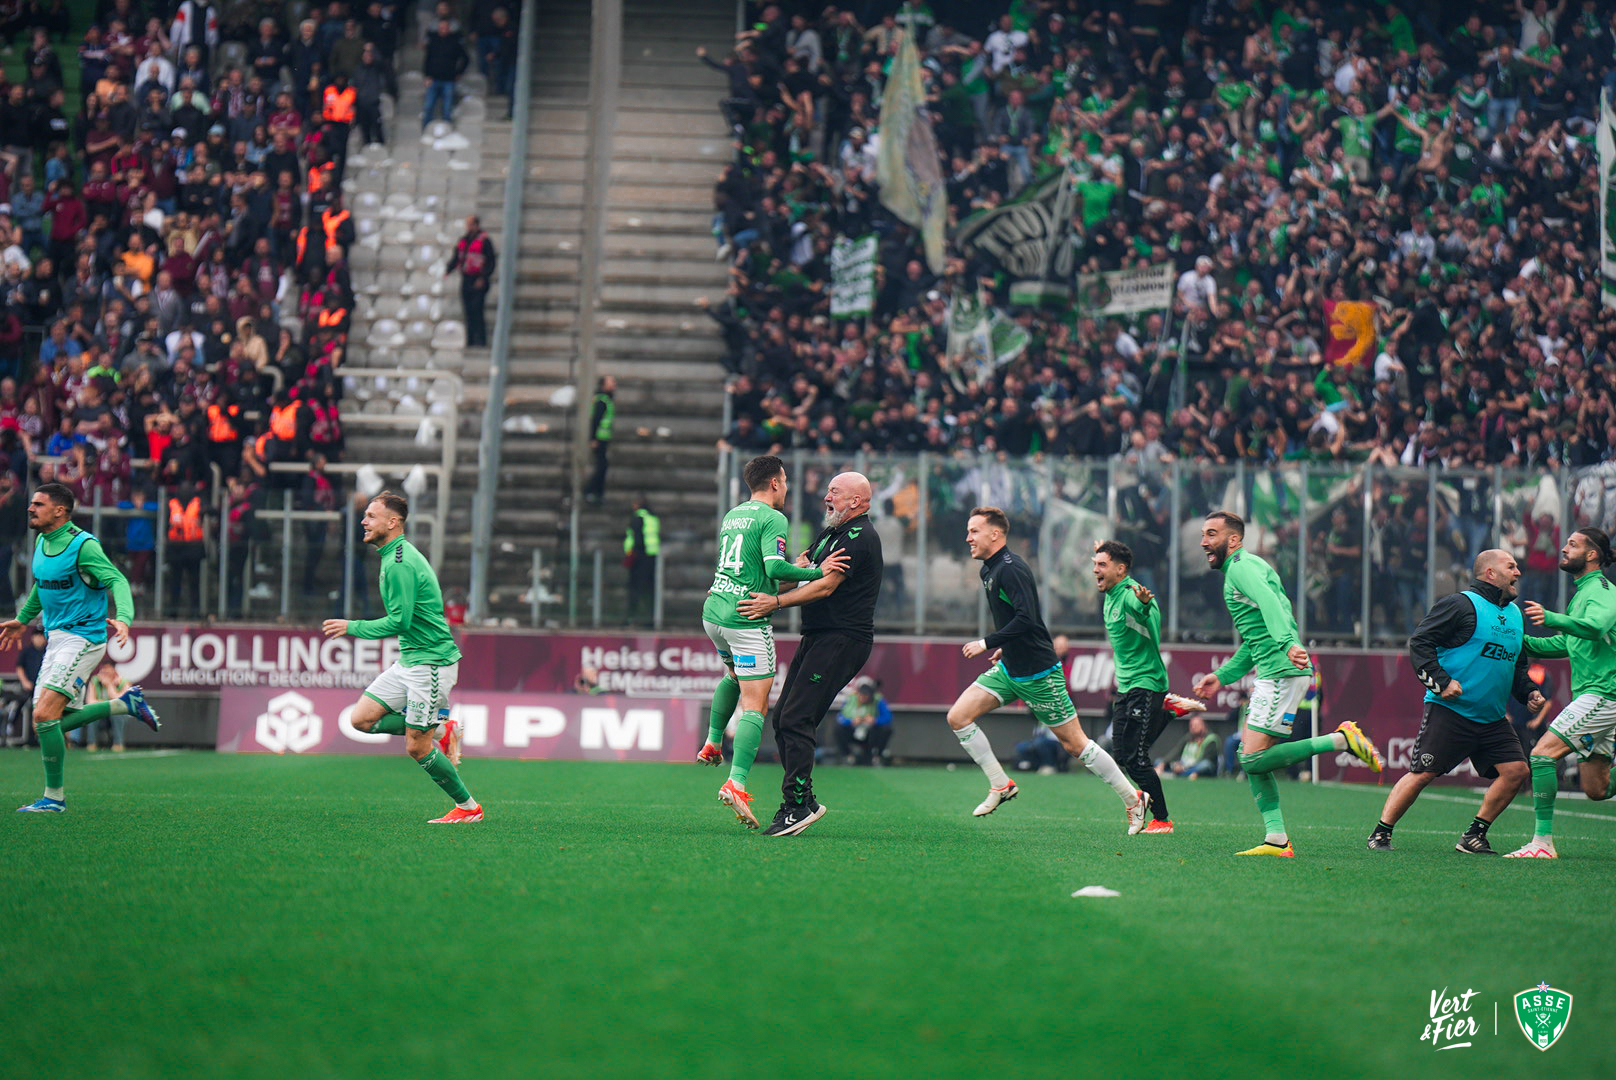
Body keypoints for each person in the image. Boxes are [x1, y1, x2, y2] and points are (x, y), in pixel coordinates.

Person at [1192, 511, 1384, 856]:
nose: (1205, 541)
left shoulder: (1241, 568)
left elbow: (1270, 606)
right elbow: (1254, 639)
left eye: (1212, 534)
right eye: (1204, 534)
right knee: (1251, 757)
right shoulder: (1248, 567)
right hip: (1275, 668)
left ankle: (1340, 740)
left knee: (1250, 760)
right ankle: (1277, 839)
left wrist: (1287, 643)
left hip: (1280, 670)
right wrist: (1221, 677)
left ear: (1233, 540)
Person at [944, 506, 1148, 828]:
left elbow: (1027, 618)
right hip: (1011, 668)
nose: (968, 537)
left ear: (995, 534)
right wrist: (1006, 647)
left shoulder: (1011, 569)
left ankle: (1133, 798)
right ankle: (1001, 784)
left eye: (974, 531)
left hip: (1039, 673)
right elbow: (1016, 622)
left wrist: (989, 642)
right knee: (958, 717)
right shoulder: (989, 570)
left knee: (1075, 744)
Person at [695, 455, 848, 828]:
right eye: (787, 480)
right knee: (756, 706)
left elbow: (755, 570)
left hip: (714, 612)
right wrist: (816, 571)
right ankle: (737, 782)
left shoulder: (734, 514)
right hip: (746, 617)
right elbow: (774, 569)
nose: (788, 488)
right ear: (776, 482)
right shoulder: (774, 517)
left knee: (733, 676)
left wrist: (793, 573)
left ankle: (713, 741)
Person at [320, 491, 482, 823]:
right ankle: (442, 729)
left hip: (431, 663)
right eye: (365, 515)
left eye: (371, 516)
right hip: (410, 661)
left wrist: (353, 626)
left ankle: (468, 808)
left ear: (393, 522)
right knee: (360, 719)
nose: (363, 521)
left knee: (415, 747)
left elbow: (399, 621)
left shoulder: (400, 564)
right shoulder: (394, 556)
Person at [1367, 548, 1541, 854]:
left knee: (1517, 771)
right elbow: (1420, 643)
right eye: (1511, 566)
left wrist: (1529, 692)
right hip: (1450, 711)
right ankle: (1381, 833)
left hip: (1492, 718)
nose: (1518, 572)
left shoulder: (1515, 616)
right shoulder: (1460, 604)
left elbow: (1517, 665)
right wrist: (1442, 682)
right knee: (1423, 774)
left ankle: (1474, 835)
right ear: (1491, 573)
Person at [737, 470, 883, 835]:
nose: (826, 497)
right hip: (819, 636)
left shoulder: (860, 537)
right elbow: (803, 576)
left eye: (834, 491)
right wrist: (739, 591)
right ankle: (803, 803)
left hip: (842, 638)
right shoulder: (830, 535)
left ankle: (797, 805)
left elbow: (824, 588)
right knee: (784, 716)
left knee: (796, 717)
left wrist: (775, 602)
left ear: (855, 501)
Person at [1, 483, 160, 813]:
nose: (30, 509)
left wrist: (125, 617)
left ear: (60, 510)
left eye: (38, 504)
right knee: (48, 721)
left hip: (84, 638)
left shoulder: (83, 545)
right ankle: (124, 705)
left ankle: (54, 799)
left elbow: (117, 579)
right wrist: (23, 619)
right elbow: (41, 588)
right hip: (58, 638)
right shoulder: (43, 541)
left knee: (44, 715)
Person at [1505, 528, 1616, 858]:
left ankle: (1542, 844)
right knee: (1597, 789)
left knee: (1540, 755)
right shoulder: (1583, 592)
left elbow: (1595, 626)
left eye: (1572, 544)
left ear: (1592, 554)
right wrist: (1513, 639)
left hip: (1604, 694)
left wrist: (1552, 617)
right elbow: (1564, 643)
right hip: (1598, 696)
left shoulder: (1602, 591)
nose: (1564, 549)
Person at [1093, 539, 1206, 834]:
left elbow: (1143, 609)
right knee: (1121, 756)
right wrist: (1103, 549)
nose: (1096, 570)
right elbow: (1115, 566)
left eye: (1102, 565)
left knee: (1138, 758)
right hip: (1127, 685)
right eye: (1095, 564)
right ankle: (1168, 711)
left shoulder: (1132, 594)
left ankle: (1163, 820)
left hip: (1147, 683)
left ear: (1121, 570)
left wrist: (1144, 605)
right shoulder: (1111, 590)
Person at [444, 215, 494, 348]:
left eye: (471, 225)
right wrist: (448, 269)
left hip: (479, 280)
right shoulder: (463, 241)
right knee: (468, 311)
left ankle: (480, 340)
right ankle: (470, 340)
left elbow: (490, 262)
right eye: (468, 225)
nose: (469, 227)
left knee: (477, 310)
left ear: (477, 225)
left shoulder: (485, 241)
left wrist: (483, 277)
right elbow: (457, 257)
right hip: (466, 279)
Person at [421, 18, 469, 128]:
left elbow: (466, 59)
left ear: (449, 28)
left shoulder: (455, 42)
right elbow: (427, 60)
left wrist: (459, 73)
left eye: (445, 27)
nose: (443, 30)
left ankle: (448, 131)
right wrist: (427, 76)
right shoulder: (433, 41)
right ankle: (426, 131)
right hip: (433, 79)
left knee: (448, 109)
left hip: (449, 80)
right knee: (428, 107)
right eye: (441, 27)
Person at [834, 676, 891, 765]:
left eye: (866, 695)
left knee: (886, 729)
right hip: (853, 730)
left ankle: (877, 757)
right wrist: (851, 721)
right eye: (862, 694)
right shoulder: (851, 699)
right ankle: (848, 756)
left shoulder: (878, 700)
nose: (863, 697)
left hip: (871, 733)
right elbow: (840, 717)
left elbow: (888, 717)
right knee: (838, 729)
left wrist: (875, 720)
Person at [81, 658, 133, 751]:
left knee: (117, 714)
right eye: (102, 669)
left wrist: (109, 685)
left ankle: (118, 744)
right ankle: (91, 744)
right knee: (93, 713)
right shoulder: (95, 681)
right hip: (102, 714)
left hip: (120, 716)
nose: (104, 672)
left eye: (107, 669)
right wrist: (105, 703)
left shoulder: (124, 682)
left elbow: (119, 702)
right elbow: (90, 701)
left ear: (114, 670)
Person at [623, 494, 659, 626]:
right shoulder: (653, 518)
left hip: (638, 558)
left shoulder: (637, 518)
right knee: (649, 589)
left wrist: (631, 554)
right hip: (652, 558)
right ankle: (651, 618)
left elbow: (636, 539)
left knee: (635, 589)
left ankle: (632, 617)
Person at [584, 375, 615, 505]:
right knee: (602, 466)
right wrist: (594, 438)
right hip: (600, 439)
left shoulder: (606, 399)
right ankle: (591, 491)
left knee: (603, 466)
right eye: (611, 382)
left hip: (604, 438)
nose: (614, 384)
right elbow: (596, 420)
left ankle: (596, 492)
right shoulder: (602, 400)